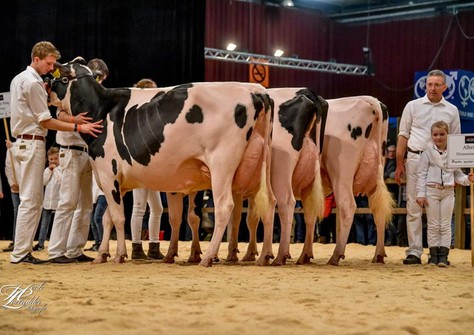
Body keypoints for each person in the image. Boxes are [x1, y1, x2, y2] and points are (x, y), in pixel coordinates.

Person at [9, 41, 102, 264]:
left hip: (27, 141)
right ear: (37, 58)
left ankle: (24, 252)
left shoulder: (22, 80)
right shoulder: (32, 83)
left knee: (31, 200)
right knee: (31, 201)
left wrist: (49, 96)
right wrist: (78, 127)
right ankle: (21, 253)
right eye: (49, 64)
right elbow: (47, 121)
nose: (52, 68)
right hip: (32, 141)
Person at [395, 69, 461, 265]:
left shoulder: (452, 110)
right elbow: (403, 135)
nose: (433, 88)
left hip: (442, 163)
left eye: (437, 84)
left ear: (445, 87)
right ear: (425, 86)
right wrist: (399, 162)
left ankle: (438, 252)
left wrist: (456, 173)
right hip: (416, 159)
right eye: (430, 84)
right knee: (414, 207)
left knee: (438, 212)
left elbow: (456, 141)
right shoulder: (412, 106)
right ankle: (414, 251)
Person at [47, 58, 108, 264]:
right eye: (97, 78)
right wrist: (75, 121)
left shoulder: (92, 97)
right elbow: (59, 113)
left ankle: (75, 249)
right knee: (67, 202)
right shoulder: (70, 89)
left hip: (87, 152)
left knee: (85, 205)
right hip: (70, 151)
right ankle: (56, 250)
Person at [415, 121, 474, 267]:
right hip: (431, 191)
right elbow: (421, 174)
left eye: (442, 134)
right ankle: (433, 255)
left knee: (446, 225)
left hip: (448, 191)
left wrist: (468, 179)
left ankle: (443, 256)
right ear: (431, 136)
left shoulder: (454, 153)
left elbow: (458, 175)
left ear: (447, 135)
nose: (438, 137)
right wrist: (420, 193)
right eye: (435, 134)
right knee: (433, 225)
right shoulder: (427, 152)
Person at [129, 78, 164, 260]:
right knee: (139, 206)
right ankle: (136, 247)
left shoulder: (153, 113)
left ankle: (153, 245)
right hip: (140, 161)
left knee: (157, 208)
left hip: (153, 163)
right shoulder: (137, 112)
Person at [33, 147, 62, 251]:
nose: (53, 161)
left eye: (56, 158)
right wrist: (50, 170)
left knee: (57, 225)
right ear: (48, 160)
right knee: (44, 224)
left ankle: (56, 244)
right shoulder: (46, 170)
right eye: (51, 159)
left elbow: (61, 181)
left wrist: (55, 170)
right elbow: (43, 182)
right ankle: (40, 244)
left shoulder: (62, 169)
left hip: (58, 202)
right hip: (47, 202)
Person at [3, 140, 20, 252]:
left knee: (27, 211)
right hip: (15, 184)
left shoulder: (26, 144)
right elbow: (8, 166)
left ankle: (24, 241)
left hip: (26, 183)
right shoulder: (11, 145)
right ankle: (15, 240)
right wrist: (12, 182)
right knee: (17, 212)